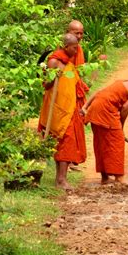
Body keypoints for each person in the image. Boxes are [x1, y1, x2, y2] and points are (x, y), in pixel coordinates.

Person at [81, 68, 128, 184]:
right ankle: (119, 178)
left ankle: (104, 177)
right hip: (106, 110)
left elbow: (99, 92)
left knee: (100, 142)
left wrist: (85, 106)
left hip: (95, 108)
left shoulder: (123, 82)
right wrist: (121, 127)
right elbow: (125, 107)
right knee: (117, 141)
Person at [38, 33, 88, 189]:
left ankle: (60, 179)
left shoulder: (69, 63)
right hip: (58, 109)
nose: (76, 51)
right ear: (66, 47)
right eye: (74, 48)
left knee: (68, 143)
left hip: (70, 109)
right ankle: (60, 180)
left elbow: (73, 83)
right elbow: (45, 84)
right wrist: (52, 76)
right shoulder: (53, 61)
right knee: (62, 142)